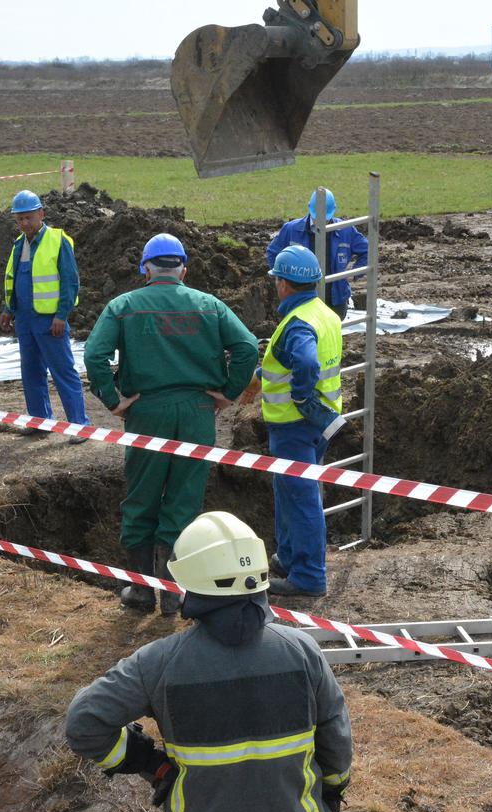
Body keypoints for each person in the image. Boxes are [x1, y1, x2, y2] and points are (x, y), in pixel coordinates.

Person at [65, 511, 352, 812]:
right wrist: (332, 790)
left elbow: (84, 723)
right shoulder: (303, 651)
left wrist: (149, 763)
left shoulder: (158, 663)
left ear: (192, 585)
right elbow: (336, 747)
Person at [84, 233, 258, 614]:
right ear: (183, 267)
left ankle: (141, 590)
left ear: (145, 268)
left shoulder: (124, 305)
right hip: (197, 413)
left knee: (142, 496)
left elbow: (94, 355)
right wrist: (227, 393)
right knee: (184, 500)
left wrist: (114, 402)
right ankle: (173, 593)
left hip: (146, 412)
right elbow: (247, 347)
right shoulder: (209, 305)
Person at [249, 246, 344, 599]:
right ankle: (288, 556)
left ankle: (307, 575)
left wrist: (302, 397)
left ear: (284, 284)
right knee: (288, 492)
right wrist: (263, 374)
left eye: (276, 279)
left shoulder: (298, 323)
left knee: (301, 498)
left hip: (294, 424)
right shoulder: (323, 314)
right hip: (318, 424)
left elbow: (305, 362)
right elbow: (296, 361)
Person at [0, 189, 87, 436]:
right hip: (25, 320)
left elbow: (70, 282)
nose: (24, 223)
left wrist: (62, 315)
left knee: (63, 371)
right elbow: (14, 279)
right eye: (19, 219)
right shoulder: (19, 245)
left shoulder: (57, 241)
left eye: (28, 217)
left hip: (50, 321)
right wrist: (9, 309)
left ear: (41, 214)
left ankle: (79, 425)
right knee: (31, 371)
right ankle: (40, 422)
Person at [266, 189, 368, 319]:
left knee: (330, 334)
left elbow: (368, 251)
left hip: (335, 300)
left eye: (324, 217)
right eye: (316, 217)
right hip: (301, 298)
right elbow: (273, 252)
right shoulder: (291, 230)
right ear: (309, 208)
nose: (320, 221)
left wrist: (354, 273)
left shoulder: (345, 230)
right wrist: (283, 278)